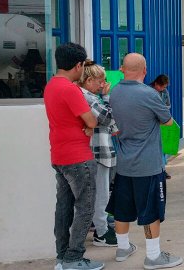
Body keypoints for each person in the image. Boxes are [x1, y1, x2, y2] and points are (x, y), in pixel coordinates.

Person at [107, 53, 183, 269]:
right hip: (148, 165)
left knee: (122, 209)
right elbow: (168, 121)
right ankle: (153, 256)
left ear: (123, 69)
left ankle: (122, 248)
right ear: (145, 70)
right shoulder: (149, 94)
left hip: (124, 163)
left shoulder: (115, 92)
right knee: (151, 211)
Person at [43, 43, 104, 270]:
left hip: (59, 155)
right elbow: (91, 120)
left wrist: (87, 126)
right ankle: (74, 258)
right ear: (78, 65)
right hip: (78, 157)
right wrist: (89, 127)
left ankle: (62, 256)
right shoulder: (70, 89)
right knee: (85, 208)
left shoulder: (50, 86)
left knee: (64, 207)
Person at [77, 60, 118, 247]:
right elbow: (107, 117)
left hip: (99, 149)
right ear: (88, 80)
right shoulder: (89, 98)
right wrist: (107, 97)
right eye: (100, 81)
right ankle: (102, 233)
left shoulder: (90, 96)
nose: (103, 85)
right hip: (98, 151)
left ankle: (97, 224)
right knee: (101, 194)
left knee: (99, 192)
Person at [150, 74, 172, 179]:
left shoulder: (164, 92)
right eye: (162, 87)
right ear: (156, 84)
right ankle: (155, 170)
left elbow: (168, 105)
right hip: (151, 122)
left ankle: (163, 169)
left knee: (162, 147)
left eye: (165, 87)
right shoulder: (148, 91)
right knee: (153, 147)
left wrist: (162, 110)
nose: (163, 89)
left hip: (161, 121)